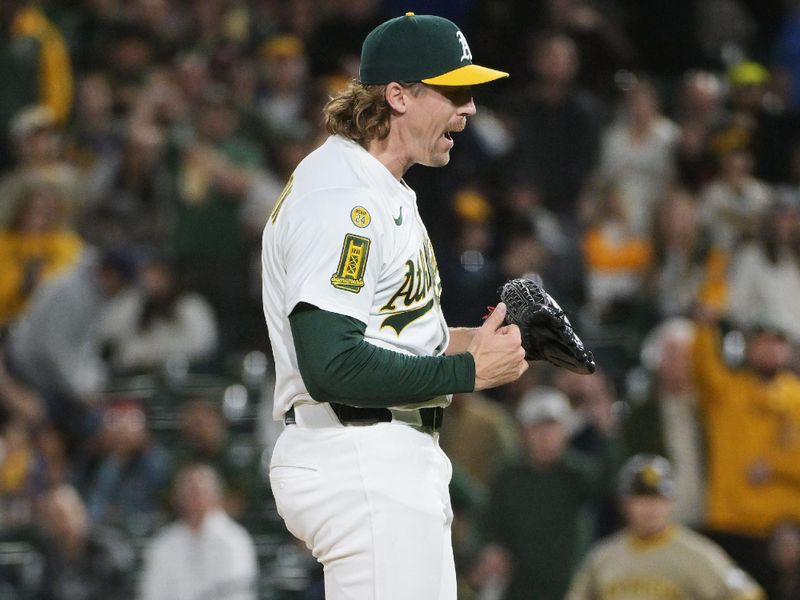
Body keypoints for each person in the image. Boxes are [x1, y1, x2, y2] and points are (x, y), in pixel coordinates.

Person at [261, 13, 528, 600]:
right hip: (358, 452)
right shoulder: (344, 196)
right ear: (399, 96)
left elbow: (397, 340)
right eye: (454, 91)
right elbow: (329, 363)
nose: (471, 109)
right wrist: (467, 371)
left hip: (385, 454)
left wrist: (479, 344)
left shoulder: (380, 188)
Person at [470, 386, 617, 600]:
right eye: (538, 428)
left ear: (565, 431)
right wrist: (487, 551)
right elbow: (486, 524)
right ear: (524, 432)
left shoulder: (576, 474)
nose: (546, 436)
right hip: (517, 589)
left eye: (553, 427)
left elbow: (610, 487)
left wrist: (607, 436)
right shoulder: (508, 476)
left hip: (566, 588)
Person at [566, 454, 764, 600]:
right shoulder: (603, 557)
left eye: (658, 499)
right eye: (642, 498)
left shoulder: (698, 553)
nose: (651, 507)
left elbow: (748, 594)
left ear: (670, 503)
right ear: (625, 503)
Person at [139, 463, 258, 600]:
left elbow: (237, 593)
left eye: (199, 492)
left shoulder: (235, 540)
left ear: (216, 496)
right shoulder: (164, 543)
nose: (194, 499)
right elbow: (153, 593)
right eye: (188, 493)